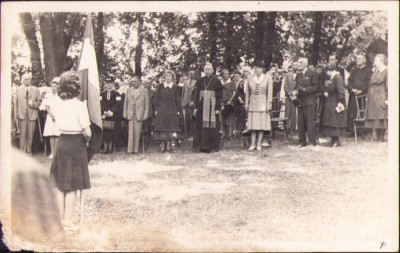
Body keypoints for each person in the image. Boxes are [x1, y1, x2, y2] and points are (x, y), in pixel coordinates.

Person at [49, 71, 92, 231]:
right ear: (76, 87)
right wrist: (87, 141)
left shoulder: (57, 104)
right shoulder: (79, 106)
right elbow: (87, 132)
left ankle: (60, 220)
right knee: (72, 186)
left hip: (62, 142)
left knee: (61, 186)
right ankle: (67, 221)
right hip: (75, 143)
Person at [193, 63, 224, 153]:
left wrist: (217, 108)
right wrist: (195, 107)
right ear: (204, 70)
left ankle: (212, 146)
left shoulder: (216, 81)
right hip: (201, 106)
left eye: (209, 69)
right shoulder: (200, 80)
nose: (207, 71)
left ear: (212, 70)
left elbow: (219, 96)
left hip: (212, 106)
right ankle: (201, 146)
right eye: (206, 69)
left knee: (212, 126)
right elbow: (195, 94)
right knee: (201, 125)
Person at [245, 61, 273, 151]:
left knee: (261, 124)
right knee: (253, 124)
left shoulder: (267, 78)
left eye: (258, 68)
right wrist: (246, 103)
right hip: (252, 103)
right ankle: (252, 144)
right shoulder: (250, 78)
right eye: (255, 68)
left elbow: (269, 92)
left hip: (263, 103)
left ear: (262, 69)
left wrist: (269, 104)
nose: (256, 69)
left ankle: (259, 144)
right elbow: (247, 93)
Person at [320, 59, 347, 147]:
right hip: (330, 101)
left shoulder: (337, 77)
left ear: (329, 71)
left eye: (327, 71)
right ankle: (332, 139)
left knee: (335, 121)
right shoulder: (332, 78)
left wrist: (339, 101)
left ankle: (336, 140)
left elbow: (341, 91)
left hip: (335, 102)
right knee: (330, 121)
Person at [14, 73, 42, 154]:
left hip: (32, 115)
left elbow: (39, 102)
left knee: (30, 135)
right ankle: (22, 152)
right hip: (22, 115)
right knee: (22, 135)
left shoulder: (36, 90)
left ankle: (29, 151)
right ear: (22, 80)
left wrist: (33, 104)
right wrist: (16, 115)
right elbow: (16, 103)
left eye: (28, 79)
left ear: (31, 80)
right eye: (25, 79)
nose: (27, 81)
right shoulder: (18, 90)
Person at [153, 70, 181, 153]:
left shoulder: (175, 87)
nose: (168, 78)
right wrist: (156, 109)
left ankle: (169, 146)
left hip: (172, 108)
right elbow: (156, 98)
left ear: (172, 77)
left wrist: (178, 110)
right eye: (167, 76)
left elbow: (177, 99)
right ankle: (163, 146)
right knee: (162, 126)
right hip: (162, 108)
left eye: (170, 76)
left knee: (170, 126)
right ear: (164, 77)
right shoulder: (161, 86)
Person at [294, 58, 319, 147]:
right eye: (298, 62)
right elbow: (296, 87)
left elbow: (316, 87)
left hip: (310, 101)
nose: (299, 64)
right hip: (300, 101)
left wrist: (305, 90)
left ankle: (312, 142)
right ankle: (302, 142)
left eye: (301, 62)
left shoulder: (312, 73)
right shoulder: (298, 75)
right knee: (300, 123)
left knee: (310, 122)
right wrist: (294, 92)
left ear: (306, 64)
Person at [347, 54, 372, 134]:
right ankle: (352, 130)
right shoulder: (354, 71)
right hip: (353, 95)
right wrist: (352, 89)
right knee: (352, 111)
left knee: (362, 111)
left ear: (364, 60)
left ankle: (363, 130)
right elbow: (349, 81)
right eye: (357, 59)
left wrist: (361, 91)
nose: (357, 60)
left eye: (359, 59)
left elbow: (369, 83)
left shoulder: (368, 71)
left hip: (362, 95)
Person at [123, 76, 149, 154]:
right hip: (130, 113)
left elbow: (146, 104)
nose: (133, 83)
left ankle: (136, 150)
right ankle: (129, 150)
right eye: (132, 82)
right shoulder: (128, 90)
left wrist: (145, 114)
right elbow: (125, 103)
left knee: (137, 132)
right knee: (130, 132)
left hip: (139, 114)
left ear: (139, 82)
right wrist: (125, 113)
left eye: (134, 81)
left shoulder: (144, 91)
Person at [365, 54, 388, 141]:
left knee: (380, 115)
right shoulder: (375, 70)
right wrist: (368, 95)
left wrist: (387, 97)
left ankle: (381, 136)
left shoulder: (386, 70)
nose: (374, 62)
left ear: (381, 61)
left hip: (381, 94)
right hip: (373, 95)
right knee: (374, 115)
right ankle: (377, 135)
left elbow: (387, 84)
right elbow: (370, 83)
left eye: (376, 61)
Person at [42, 77, 61, 158]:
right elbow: (47, 107)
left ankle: (56, 152)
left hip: (58, 116)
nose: (54, 88)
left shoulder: (60, 96)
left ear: (58, 87)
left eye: (55, 86)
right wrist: (52, 115)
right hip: (50, 116)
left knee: (57, 134)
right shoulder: (47, 95)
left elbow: (62, 106)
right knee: (51, 135)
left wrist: (56, 116)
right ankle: (52, 152)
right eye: (52, 86)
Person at [100, 77, 120, 153]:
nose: (109, 85)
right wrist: (105, 112)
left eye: (110, 83)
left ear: (113, 84)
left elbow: (118, 104)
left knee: (112, 132)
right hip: (105, 115)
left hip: (113, 115)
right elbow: (101, 103)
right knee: (105, 131)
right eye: (107, 83)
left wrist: (111, 111)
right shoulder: (102, 94)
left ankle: (111, 148)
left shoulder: (117, 94)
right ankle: (105, 148)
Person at [220, 68, 236, 140]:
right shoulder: (220, 82)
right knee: (222, 118)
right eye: (224, 74)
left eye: (226, 74)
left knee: (230, 119)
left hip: (229, 102)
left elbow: (234, 92)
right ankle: (223, 134)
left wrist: (230, 100)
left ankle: (230, 135)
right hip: (222, 102)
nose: (225, 75)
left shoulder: (232, 83)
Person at [181, 70, 197, 138]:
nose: (191, 75)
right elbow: (183, 92)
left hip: (192, 103)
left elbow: (196, 93)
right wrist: (182, 102)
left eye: (193, 73)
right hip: (185, 102)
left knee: (193, 119)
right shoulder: (185, 82)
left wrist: (193, 101)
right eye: (190, 73)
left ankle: (193, 134)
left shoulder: (196, 82)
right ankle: (186, 134)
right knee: (186, 119)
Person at [282, 64, 298, 132]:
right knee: (287, 112)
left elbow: (298, 85)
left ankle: (293, 127)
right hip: (288, 96)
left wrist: (294, 93)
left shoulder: (297, 76)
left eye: (291, 70)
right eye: (289, 71)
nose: (290, 72)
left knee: (294, 112)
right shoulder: (286, 76)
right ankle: (287, 127)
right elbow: (285, 86)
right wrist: (290, 93)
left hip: (295, 96)